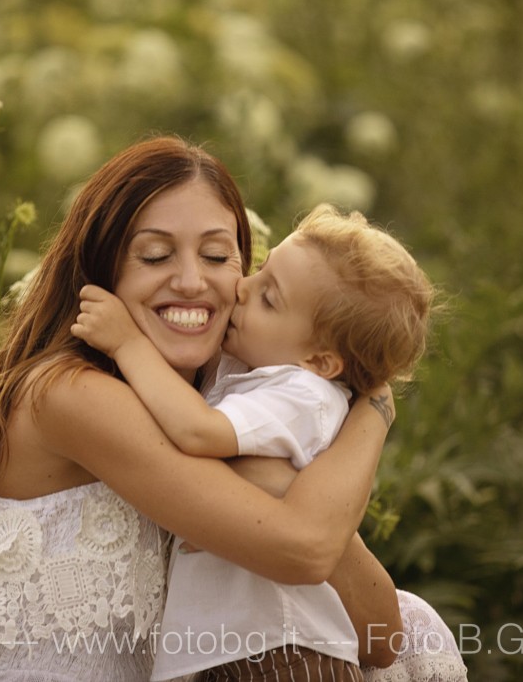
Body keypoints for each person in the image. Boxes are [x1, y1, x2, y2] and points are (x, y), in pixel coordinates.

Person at [0, 136, 458, 681]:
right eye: (153, 256)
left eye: (218, 256)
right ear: (103, 271)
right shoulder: (69, 396)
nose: (192, 282)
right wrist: (373, 407)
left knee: (420, 633)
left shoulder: (225, 404)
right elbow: (305, 547)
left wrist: (350, 412)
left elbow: (380, 631)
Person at [71, 203, 434, 681]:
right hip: (247, 650)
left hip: (286, 655)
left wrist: (127, 344)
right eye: (259, 270)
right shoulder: (262, 373)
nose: (244, 288)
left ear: (321, 362)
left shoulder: (302, 395)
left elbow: (198, 431)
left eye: (269, 298)